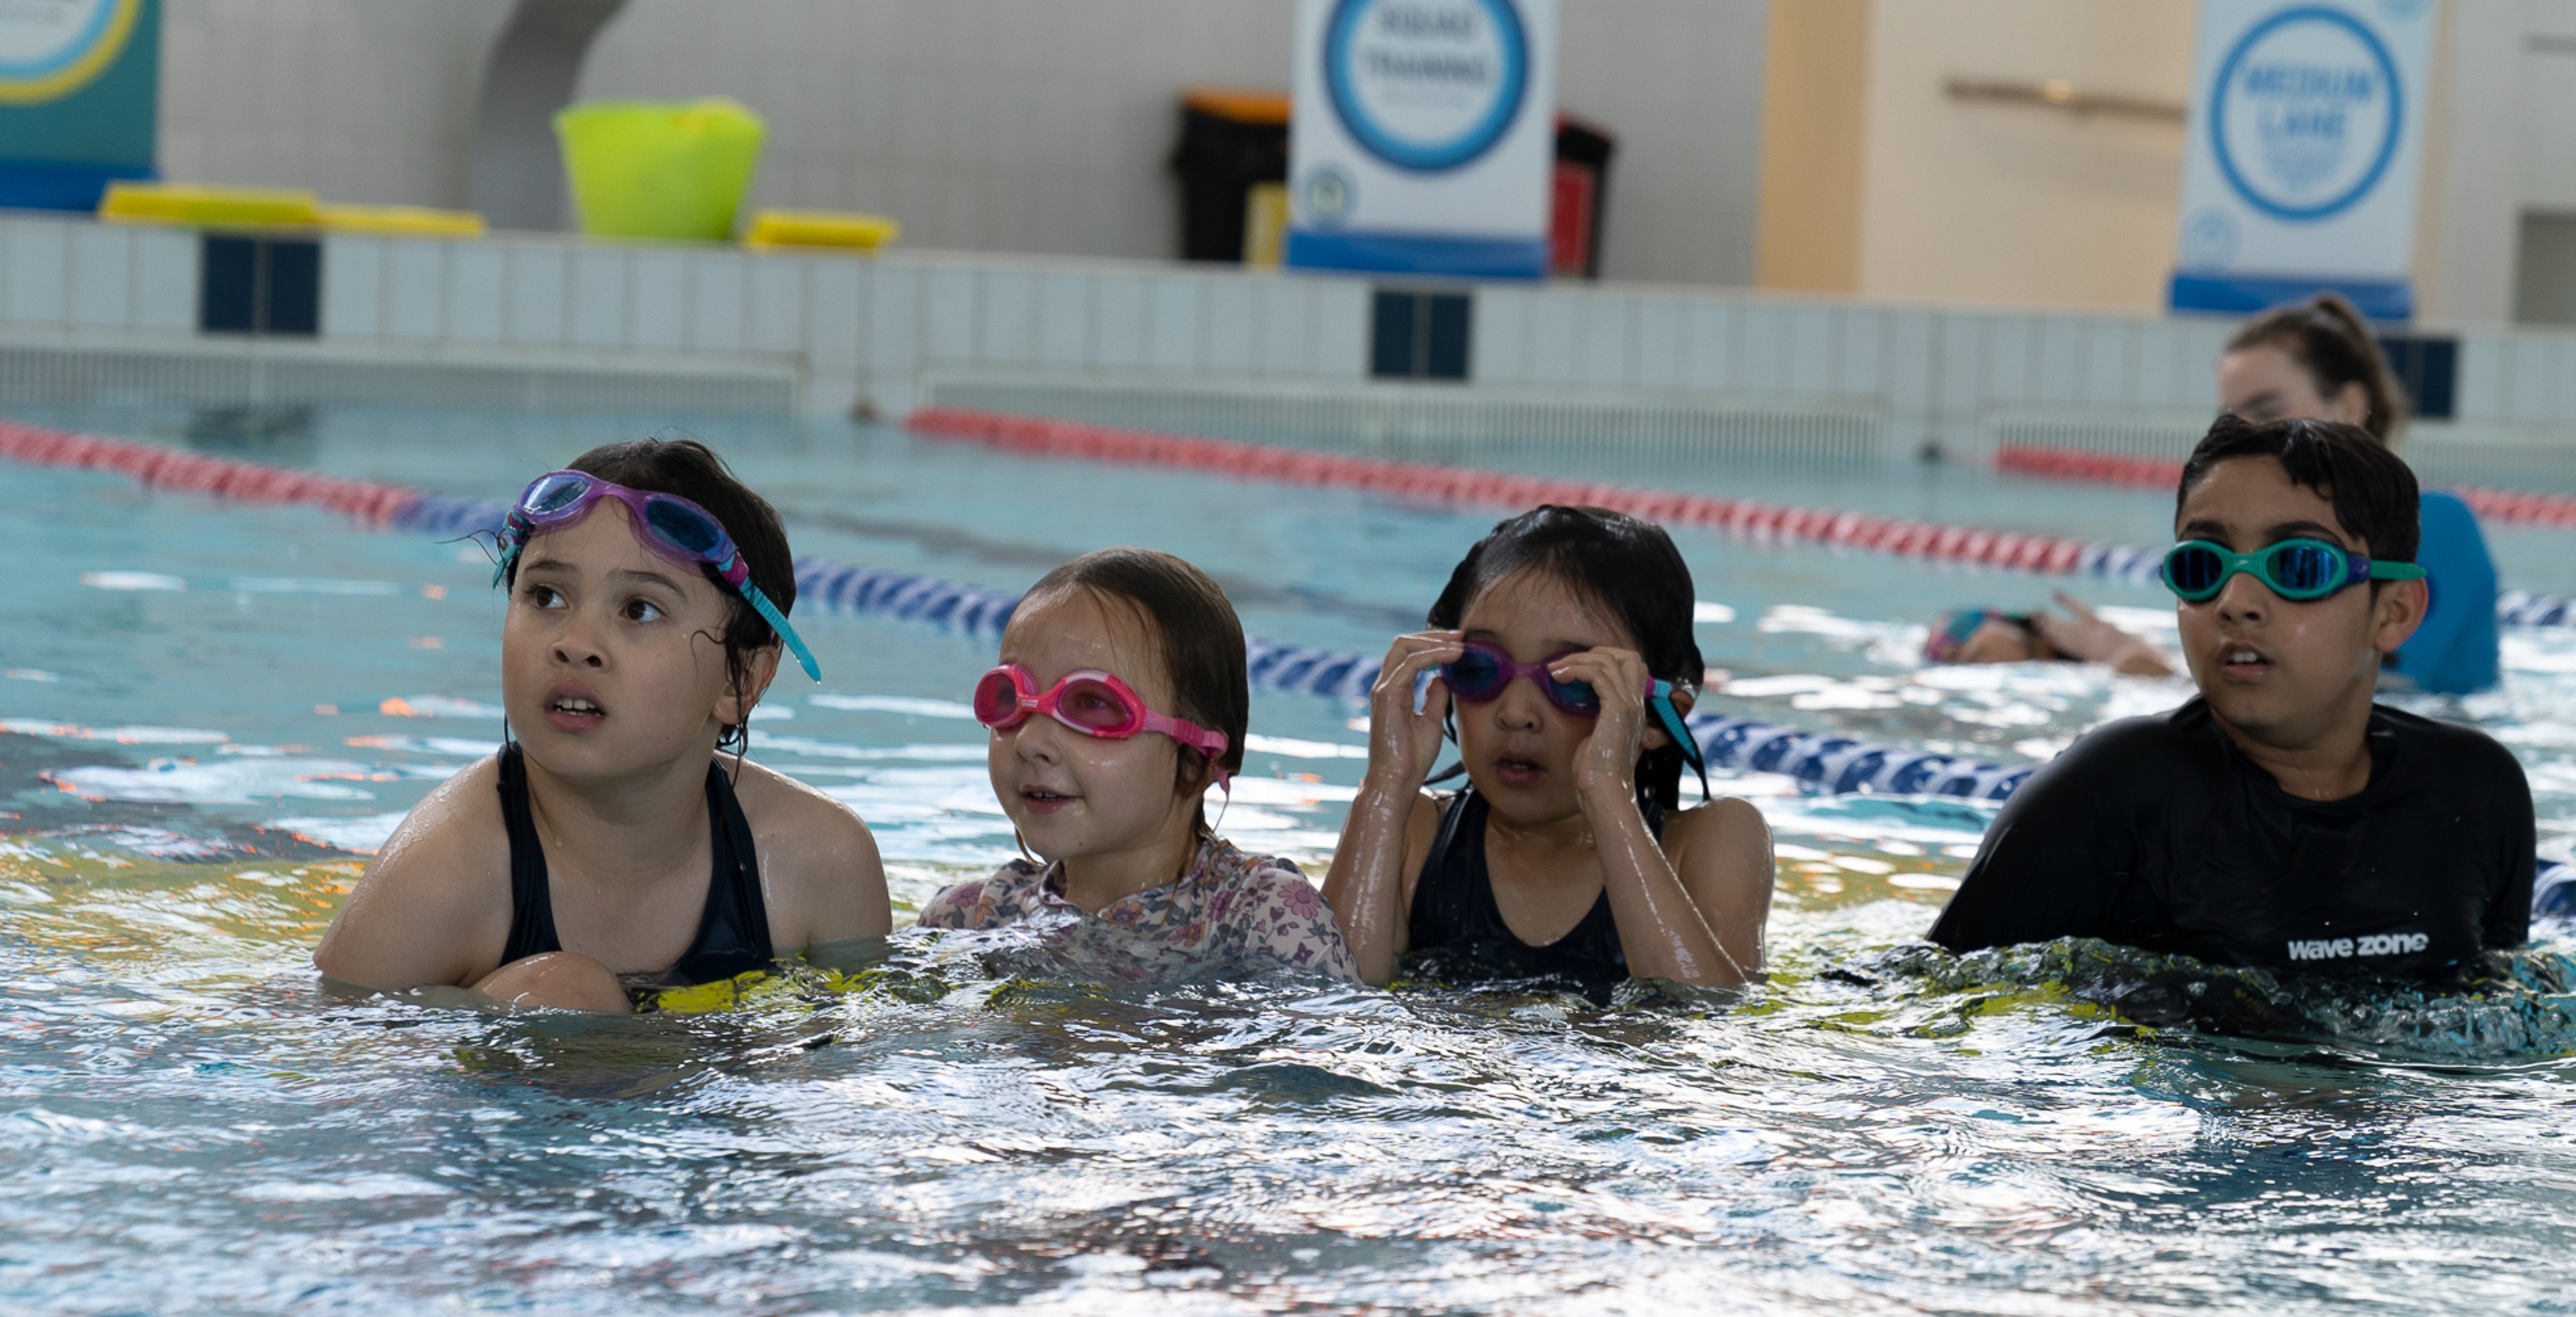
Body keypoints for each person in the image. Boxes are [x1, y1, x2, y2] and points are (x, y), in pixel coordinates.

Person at [1927, 415, 2534, 976]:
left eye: (2298, 565)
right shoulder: (2114, 792)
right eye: (2203, 566)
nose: (2234, 600)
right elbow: (1931, 1006)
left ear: (2395, 611)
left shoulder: (2474, 791)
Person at [315, 439, 892, 1012]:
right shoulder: (445, 873)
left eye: (639, 609)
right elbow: (320, 1056)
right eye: (545, 596)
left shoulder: (820, 863)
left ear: (738, 679)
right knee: (563, 994)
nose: (575, 643)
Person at [1321, 505, 1775, 995]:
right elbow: (1332, 1000)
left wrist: (1608, 795)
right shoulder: (1413, 832)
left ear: (1655, 719)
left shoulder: (1710, 843)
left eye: (1576, 680)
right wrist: (1385, 788)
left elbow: (1709, 1014)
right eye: (1479, 667)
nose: (1516, 713)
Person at [919, 547, 1357, 984]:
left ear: (1199, 759)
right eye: (1010, 698)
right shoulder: (971, 918)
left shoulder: (1265, 919)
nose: (1031, 742)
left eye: (1092, 704)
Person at [2218, 292, 2500, 695]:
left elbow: (2376, 691)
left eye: (2266, 411)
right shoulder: (2263, 542)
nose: (2242, 436)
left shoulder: (2433, 522)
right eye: (2231, 419)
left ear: (2349, 406)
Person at [1923, 593, 2175, 675]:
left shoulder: (2121, 660)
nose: (1950, 648)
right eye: (1946, 657)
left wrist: (2121, 651)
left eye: (1961, 628)